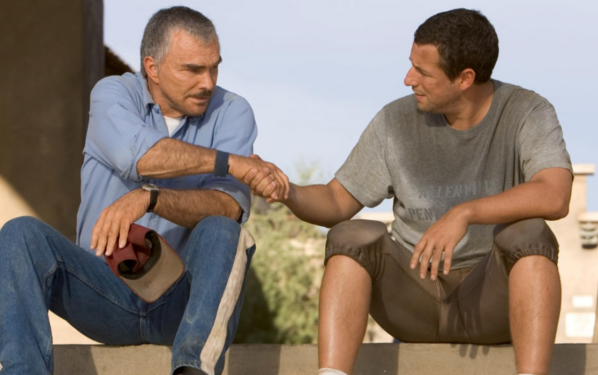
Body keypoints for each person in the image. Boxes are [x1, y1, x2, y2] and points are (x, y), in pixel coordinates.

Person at [245, 8, 572, 375]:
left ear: (465, 78)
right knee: (351, 235)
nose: (407, 79)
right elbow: (337, 200)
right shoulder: (394, 121)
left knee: (531, 233)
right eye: (411, 65)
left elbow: (555, 195)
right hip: (415, 301)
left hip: (489, 301)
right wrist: (288, 192)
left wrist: (463, 213)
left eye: (423, 72)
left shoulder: (527, 111)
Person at [0, 6, 286, 375]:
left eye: (214, 67)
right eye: (192, 69)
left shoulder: (233, 111)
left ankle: (193, 369)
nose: (208, 82)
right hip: (100, 292)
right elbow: (142, 157)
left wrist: (151, 199)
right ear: (152, 67)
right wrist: (230, 162)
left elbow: (228, 206)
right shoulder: (112, 94)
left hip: (180, 299)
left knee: (227, 230)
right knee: (18, 234)